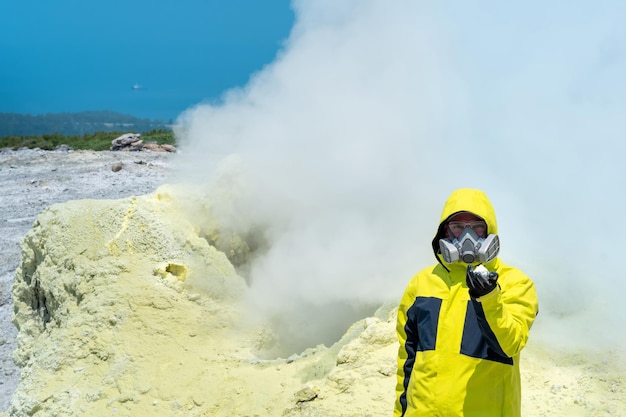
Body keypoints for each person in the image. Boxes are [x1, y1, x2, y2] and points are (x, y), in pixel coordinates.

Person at [394, 188, 538, 417]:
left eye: (477, 226)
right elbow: (407, 359)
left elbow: (509, 345)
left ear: (489, 230)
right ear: (445, 232)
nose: (467, 236)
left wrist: (488, 298)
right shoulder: (422, 284)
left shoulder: (515, 283)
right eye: (458, 227)